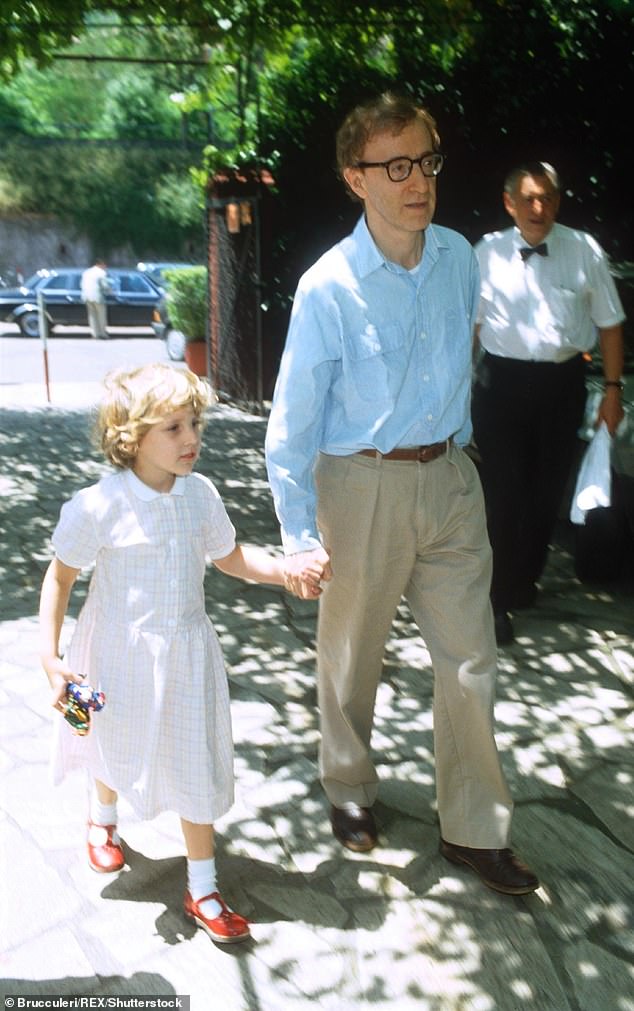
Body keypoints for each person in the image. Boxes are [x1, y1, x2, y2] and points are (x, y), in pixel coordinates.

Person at [265, 92, 538, 895]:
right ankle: (349, 787)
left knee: (470, 662)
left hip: (451, 479)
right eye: (394, 165)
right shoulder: (328, 286)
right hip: (361, 485)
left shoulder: (459, 255)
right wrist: (299, 532)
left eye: (425, 160)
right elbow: (293, 417)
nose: (416, 180)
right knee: (352, 655)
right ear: (356, 179)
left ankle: (475, 827)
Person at [39, 363, 318, 945]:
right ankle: (103, 819)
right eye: (173, 428)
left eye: (195, 423)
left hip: (187, 651)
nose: (191, 438)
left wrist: (286, 571)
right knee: (104, 740)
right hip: (106, 652)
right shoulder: (98, 505)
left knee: (195, 763)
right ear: (130, 436)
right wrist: (50, 654)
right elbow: (59, 578)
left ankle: (204, 885)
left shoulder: (200, 495)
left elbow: (232, 557)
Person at [472, 162, 625, 645]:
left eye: (548, 198)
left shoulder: (584, 251)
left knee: (545, 493)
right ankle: (494, 601)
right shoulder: (485, 253)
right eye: (529, 198)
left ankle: (522, 580)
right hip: (500, 384)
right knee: (504, 492)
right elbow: (469, 331)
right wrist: (453, 396)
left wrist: (614, 392)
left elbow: (610, 324)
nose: (539, 208)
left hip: (562, 385)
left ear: (558, 202)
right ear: (509, 202)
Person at [81, 259, 110, 339]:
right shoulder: (101, 273)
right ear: (101, 265)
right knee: (101, 316)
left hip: (86, 296)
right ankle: (103, 333)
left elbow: (82, 284)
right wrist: (110, 291)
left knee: (92, 316)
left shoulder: (86, 272)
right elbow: (105, 286)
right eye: (105, 265)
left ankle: (95, 333)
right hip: (97, 296)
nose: (105, 267)